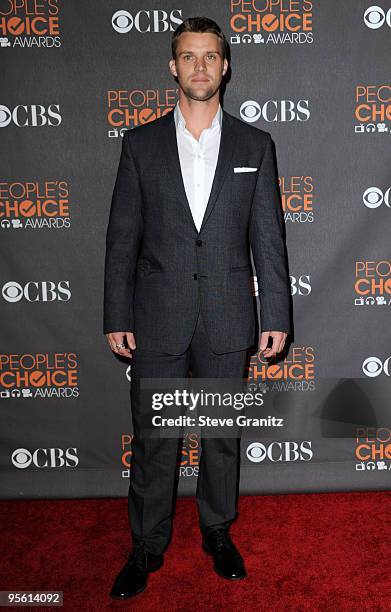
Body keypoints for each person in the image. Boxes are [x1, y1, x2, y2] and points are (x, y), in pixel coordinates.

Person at [103, 16, 292, 600]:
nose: (201, 66)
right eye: (189, 56)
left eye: (211, 56)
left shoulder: (255, 145)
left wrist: (278, 314)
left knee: (220, 438)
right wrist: (116, 313)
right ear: (173, 66)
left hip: (228, 314)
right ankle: (147, 545)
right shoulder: (139, 144)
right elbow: (121, 239)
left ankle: (217, 531)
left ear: (225, 65)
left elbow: (269, 238)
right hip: (157, 314)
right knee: (155, 438)